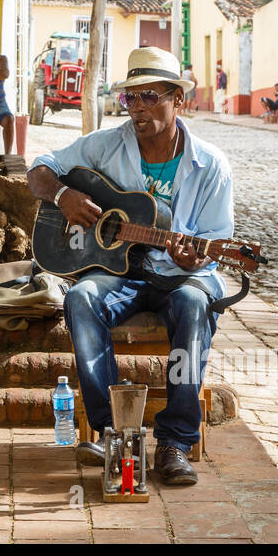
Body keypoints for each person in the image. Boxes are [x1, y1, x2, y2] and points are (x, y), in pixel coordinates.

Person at [27, 46, 233, 486]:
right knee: (81, 298)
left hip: (184, 276)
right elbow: (40, 169)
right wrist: (64, 196)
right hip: (121, 273)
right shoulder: (106, 145)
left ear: (178, 99)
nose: (138, 109)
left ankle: (175, 442)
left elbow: (216, 240)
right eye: (131, 98)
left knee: (194, 307)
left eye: (150, 97)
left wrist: (193, 255)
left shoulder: (211, 165)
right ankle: (113, 433)